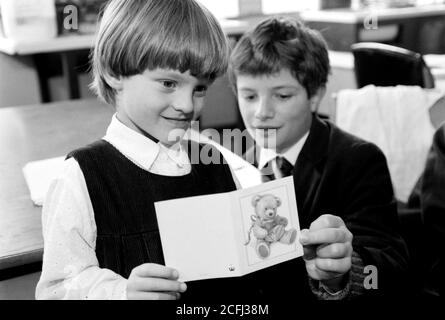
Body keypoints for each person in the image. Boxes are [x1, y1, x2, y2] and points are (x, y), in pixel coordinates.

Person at [35, 0, 237, 300]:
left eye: (200, 88)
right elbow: (55, 290)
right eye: (169, 83)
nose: (187, 105)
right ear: (115, 72)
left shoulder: (214, 162)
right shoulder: (81, 177)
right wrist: (121, 292)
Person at [228, 17, 410, 299]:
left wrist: (347, 269)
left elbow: (391, 267)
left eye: (282, 96)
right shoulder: (233, 167)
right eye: (249, 96)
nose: (262, 112)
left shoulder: (358, 160)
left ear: (315, 96)